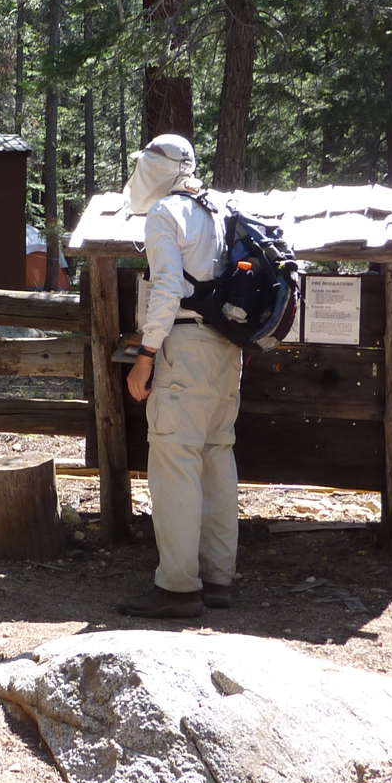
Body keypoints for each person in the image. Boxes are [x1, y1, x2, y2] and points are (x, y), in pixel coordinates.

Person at [116, 134, 243, 619]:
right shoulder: (221, 208)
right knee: (216, 458)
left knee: (174, 465)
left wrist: (147, 353)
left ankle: (177, 587)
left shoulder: (164, 213)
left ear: (159, 168)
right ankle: (218, 579)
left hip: (184, 348)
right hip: (226, 348)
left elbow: (168, 287)